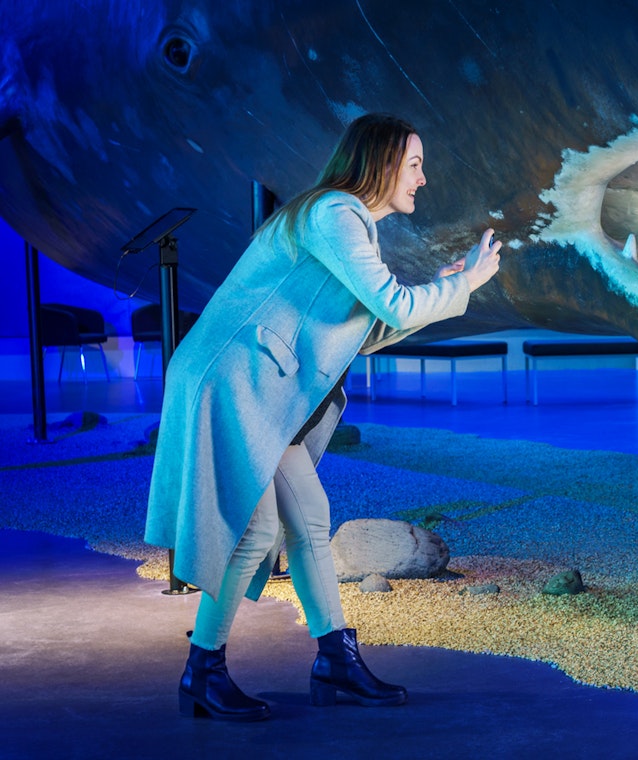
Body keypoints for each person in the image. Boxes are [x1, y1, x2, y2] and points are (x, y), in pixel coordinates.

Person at [145, 113, 502, 720]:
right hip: (235, 383)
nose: (422, 178)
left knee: (309, 516)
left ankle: (335, 659)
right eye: (414, 164)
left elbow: (366, 329)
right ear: (383, 163)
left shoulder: (344, 219)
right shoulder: (334, 214)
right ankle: (202, 670)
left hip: (266, 388)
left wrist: (445, 289)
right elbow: (391, 304)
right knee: (256, 529)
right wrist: (463, 284)